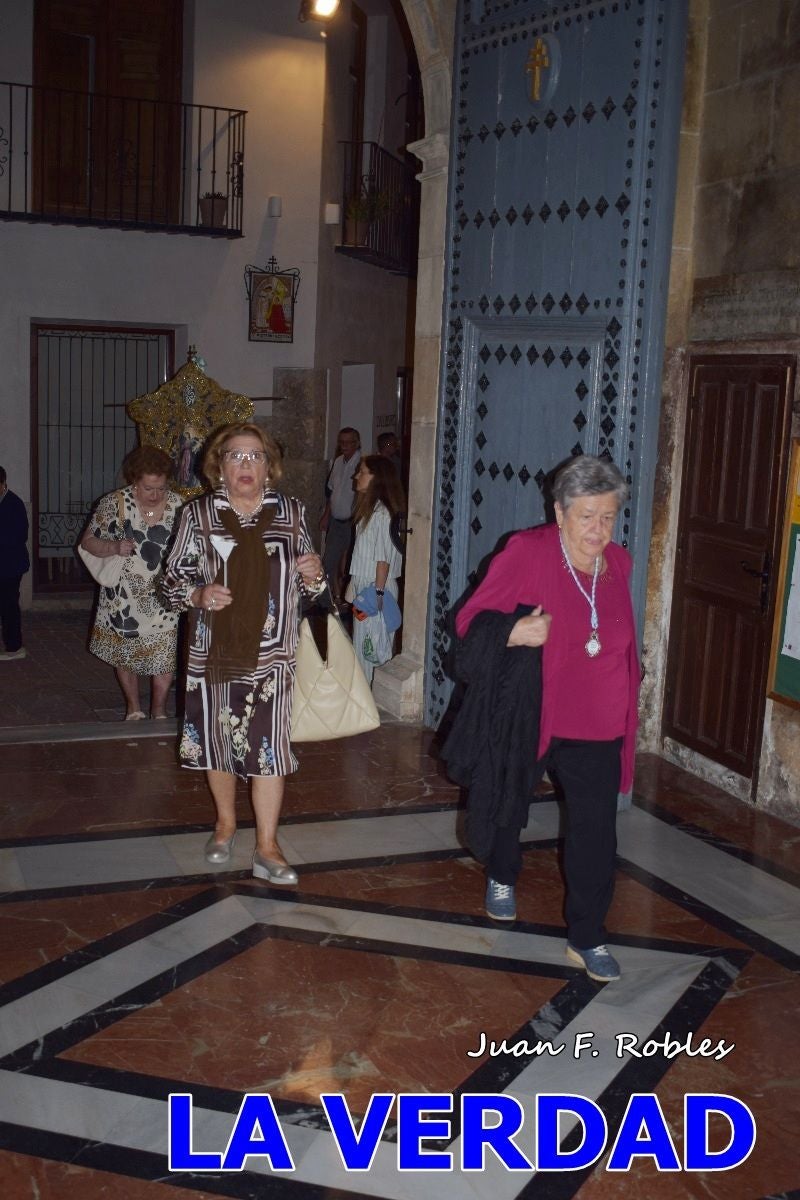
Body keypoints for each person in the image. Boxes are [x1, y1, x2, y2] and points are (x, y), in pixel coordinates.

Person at [452, 455, 639, 982]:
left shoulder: (619, 564)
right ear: (558, 513)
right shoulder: (528, 552)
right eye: (586, 516)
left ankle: (588, 936)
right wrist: (513, 632)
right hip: (533, 712)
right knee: (510, 803)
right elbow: (469, 621)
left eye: (607, 516)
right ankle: (503, 873)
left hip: (600, 722)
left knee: (596, 833)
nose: (598, 530)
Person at [162, 422, 325, 882]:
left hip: (273, 655)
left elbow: (314, 585)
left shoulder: (290, 513)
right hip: (214, 653)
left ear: (269, 465)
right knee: (218, 743)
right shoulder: (199, 515)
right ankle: (225, 825)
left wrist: (313, 572)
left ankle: (268, 846)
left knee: (268, 748)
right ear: (219, 465)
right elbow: (171, 581)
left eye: (255, 456)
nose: (246, 465)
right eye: (236, 456)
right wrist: (198, 596)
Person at [80, 446, 181, 718]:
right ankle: (134, 708)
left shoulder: (178, 506)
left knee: (164, 654)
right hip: (123, 596)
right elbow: (88, 542)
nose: (156, 494)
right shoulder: (113, 503)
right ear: (134, 482)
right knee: (126, 654)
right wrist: (113, 547)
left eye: (160, 488)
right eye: (148, 488)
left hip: (165, 595)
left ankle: (159, 710)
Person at [348, 454, 405, 684]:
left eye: (362, 472)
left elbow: (383, 560)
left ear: (376, 478)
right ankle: (365, 702)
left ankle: (371, 704)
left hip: (376, 589)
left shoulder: (382, 514)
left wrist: (378, 595)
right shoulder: (369, 512)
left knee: (374, 648)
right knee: (363, 648)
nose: (356, 476)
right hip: (366, 588)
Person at [320, 427, 360, 605]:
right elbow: (332, 492)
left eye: (348, 442)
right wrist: (326, 515)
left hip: (352, 522)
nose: (344, 446)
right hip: (336, 521)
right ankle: (328, 600)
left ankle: (349, 601)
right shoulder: (337, 462)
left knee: (350, 564)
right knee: (328, 562)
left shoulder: (361, 463)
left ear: (356, 443)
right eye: (341, 442)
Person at [0, 466, 30, 662]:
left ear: (3, 484)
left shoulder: (14, 504)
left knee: (9, 605)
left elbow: (19, 537)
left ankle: (15, 647)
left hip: (10, 566)